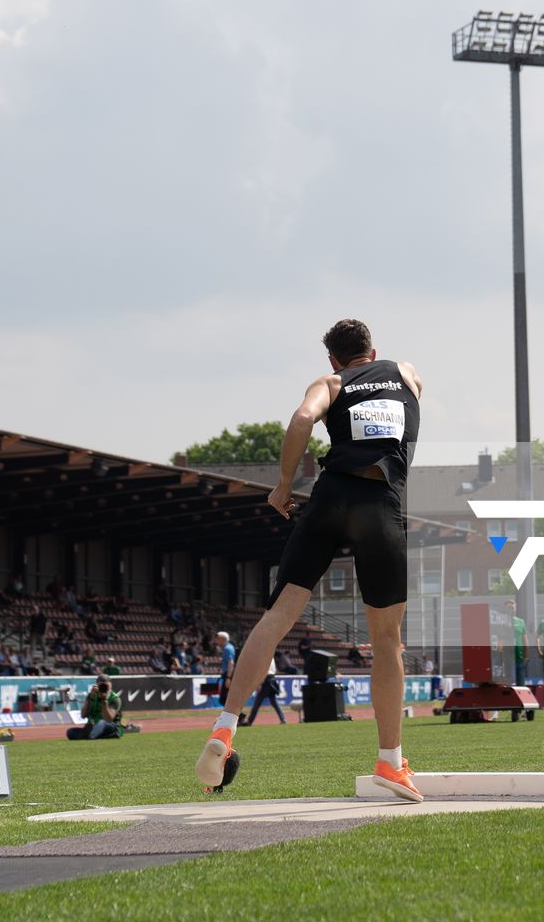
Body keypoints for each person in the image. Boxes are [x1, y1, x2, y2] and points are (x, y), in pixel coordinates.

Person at [195, 319, 426, 801]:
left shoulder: (330, 383)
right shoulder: (406, 373)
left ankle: (223, 728)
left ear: (333, 359)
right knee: (387, 640)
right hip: (380, 501)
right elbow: (405, 419)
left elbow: (303, 419)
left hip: (329, 497)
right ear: (373, 349)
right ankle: (390, 762)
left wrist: (283, 485)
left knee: (277, 617)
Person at [243, 656, 286, 726]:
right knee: (274, 702)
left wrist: (260, 683)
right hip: (272, 679)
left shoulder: (265, 657)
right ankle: (283, 719)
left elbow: (263, 670)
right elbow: (274, 670)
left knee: (257, 703)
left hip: (265, 680)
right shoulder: (272, 657)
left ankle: (249, 721)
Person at [84, 674, 124, 738]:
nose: (103, 687)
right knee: (71, 732)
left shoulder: (115, 699)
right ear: (97, 685)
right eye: (101, 685)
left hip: (110, 726)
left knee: (102, 722)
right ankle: (100, 735)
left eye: (105, 685)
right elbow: (83, 715)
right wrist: (90, 698)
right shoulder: (92, 695)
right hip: (94, 725)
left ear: (110, 685)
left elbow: (109, 719)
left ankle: (92, 736)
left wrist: (104, 701)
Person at [506, 597, 528, 688]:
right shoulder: (502, 621)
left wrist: (526, 655)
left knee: (520, 682)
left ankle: (520, 701)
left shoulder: (521, 622)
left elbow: (525, 638)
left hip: (519, 655)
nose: (511, 609)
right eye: (509, 608)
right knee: (508, 681)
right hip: (506, 656)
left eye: (513, 607)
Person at [216, 631, 237, 704]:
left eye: (218, 639)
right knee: (226, 698)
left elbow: (230, 662)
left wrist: (228, 678)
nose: (217, 640)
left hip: (228, 674)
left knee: (224, 699)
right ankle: (237, 714)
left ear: (222, 639)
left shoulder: (227, 648)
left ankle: (238, 714)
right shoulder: (229, 647)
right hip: (229, 674)